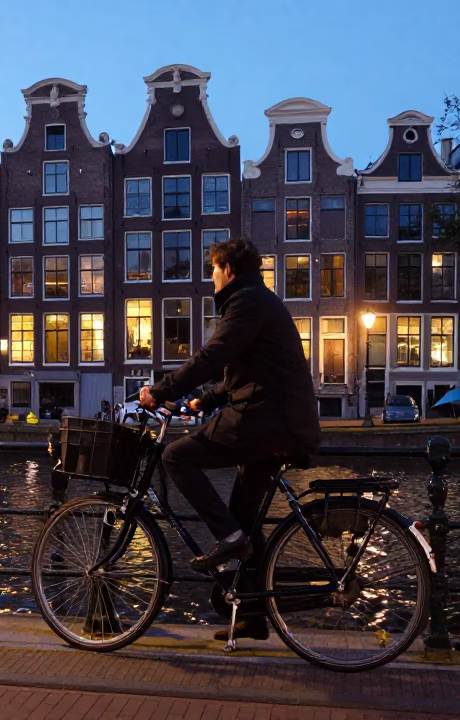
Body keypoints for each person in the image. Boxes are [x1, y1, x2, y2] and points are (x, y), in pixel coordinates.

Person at [139, 237, 320, 641]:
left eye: (213, 270)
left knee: (175, 458)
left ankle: (231, 540)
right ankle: (254, 615)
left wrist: (163, 390)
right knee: (245, 517)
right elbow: (244, 373)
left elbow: (213, 356)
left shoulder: (246, 303)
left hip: (268, 419)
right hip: (279, 419)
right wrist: (204, 400)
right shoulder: (257, 300)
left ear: (229, 270)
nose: (211, 278)